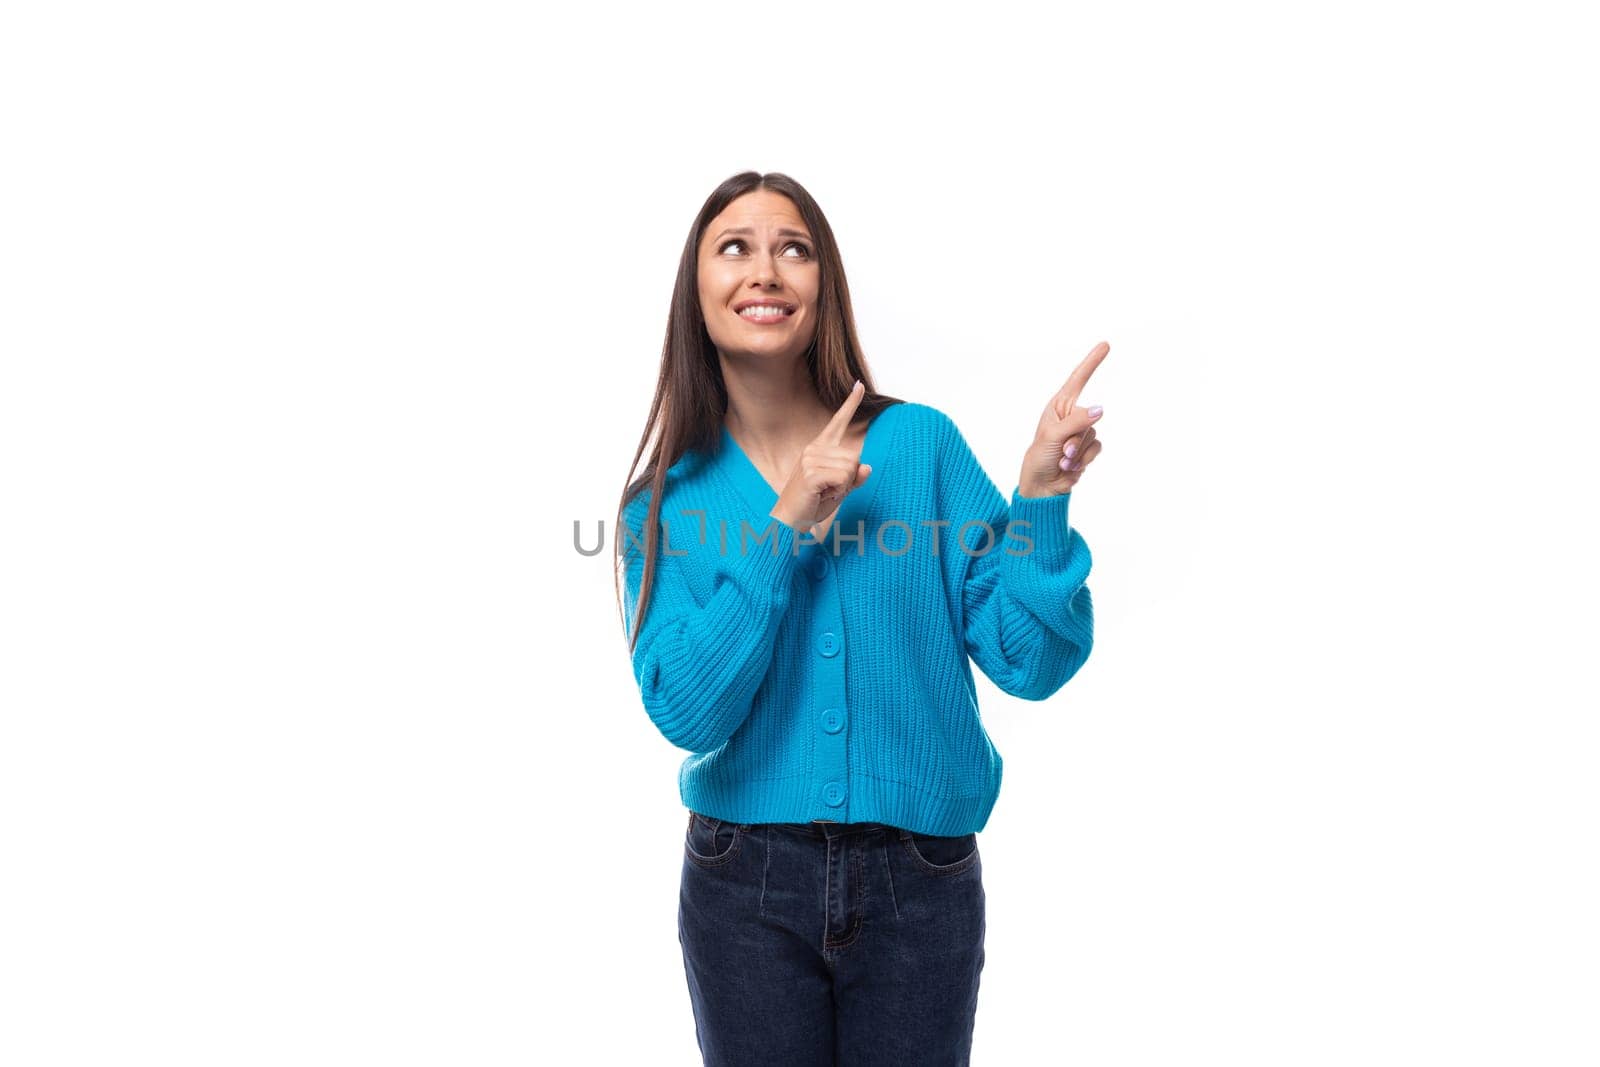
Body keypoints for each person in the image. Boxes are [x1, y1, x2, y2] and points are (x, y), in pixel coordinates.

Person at [613, 170, 1105, 1066]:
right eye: (736, 247)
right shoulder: (663, 505)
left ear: (821, 287)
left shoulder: (919, 447)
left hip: (922, 881)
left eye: (792, 249)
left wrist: (1039, 499)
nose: (765, 270)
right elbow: (686, 710)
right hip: (742, 885)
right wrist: (784, 525)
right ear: (697, 290)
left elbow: (1032, 660)